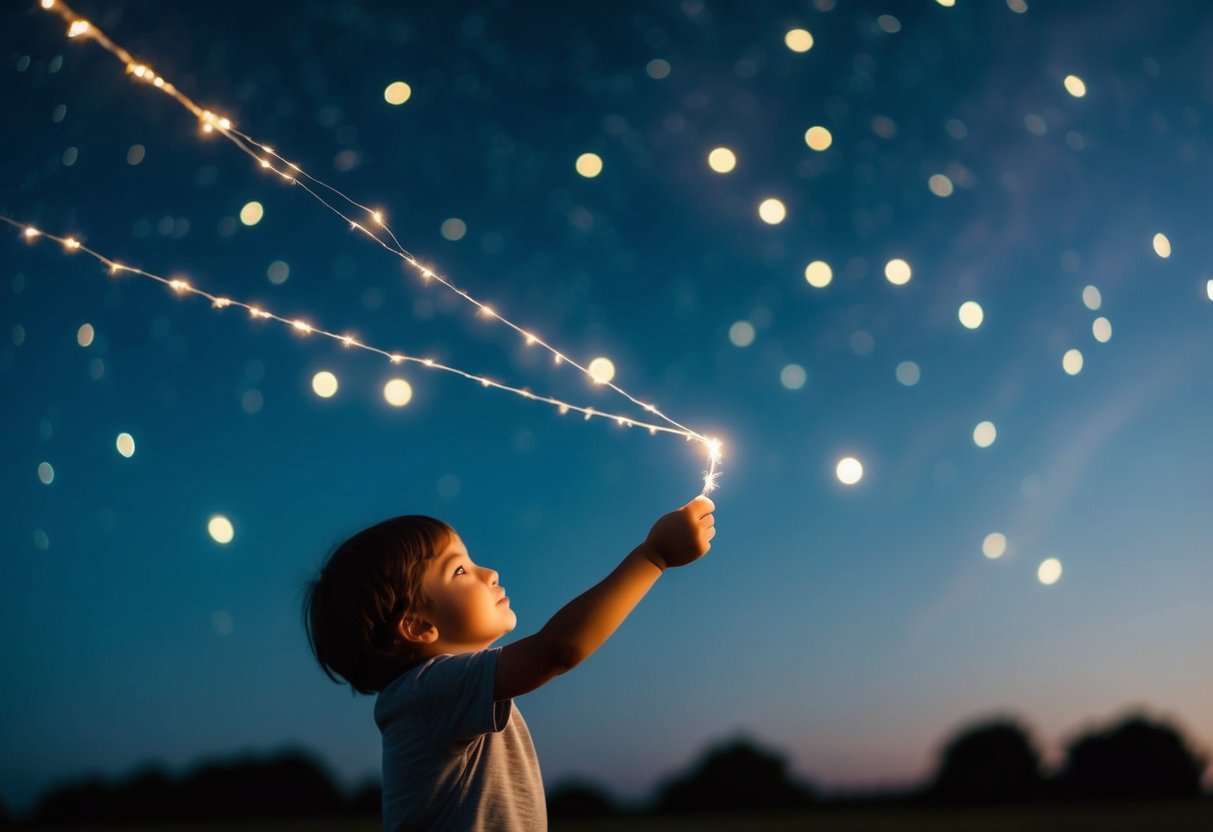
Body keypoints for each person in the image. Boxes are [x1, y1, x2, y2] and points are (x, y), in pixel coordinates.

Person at [304, 495, 716, 831]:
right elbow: (559, 649)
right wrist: (654, 556)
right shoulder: (426, 691)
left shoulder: (440, 695)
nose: (490, 572)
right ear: (416, 625)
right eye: (460, 570)